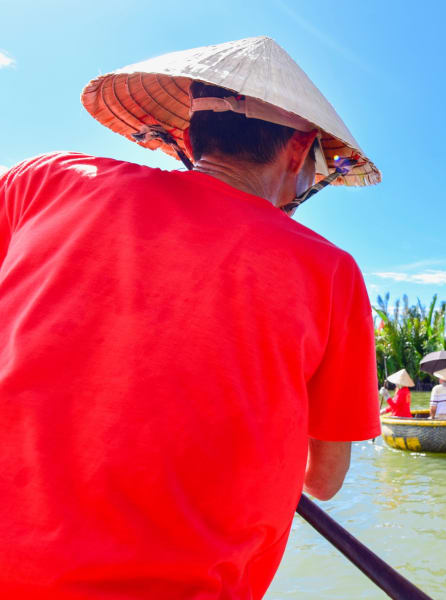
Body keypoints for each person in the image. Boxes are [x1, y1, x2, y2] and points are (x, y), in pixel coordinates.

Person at [0, 37, 382, 599]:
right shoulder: (330, 270)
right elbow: (322, 481)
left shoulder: (48, 180)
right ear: (298, 153)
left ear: (185, 135)